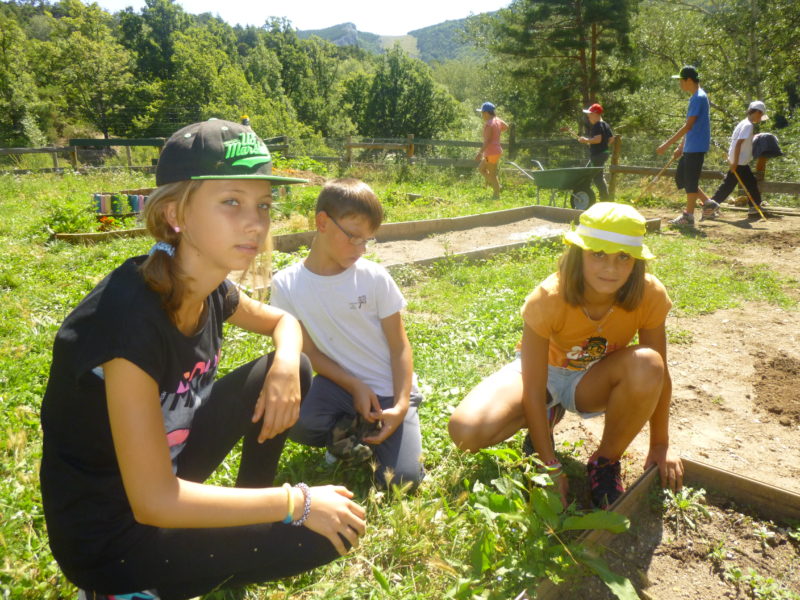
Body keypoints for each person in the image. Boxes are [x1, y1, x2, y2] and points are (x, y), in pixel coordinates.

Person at [39, 119, 366, 600]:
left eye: (263, 205)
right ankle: (135, 588)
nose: (256, 222)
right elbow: (153, 501)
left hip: (163, 473)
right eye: (231, 202)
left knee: (291, 367)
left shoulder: (208, 287)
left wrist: (286, 362)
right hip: (113, 534)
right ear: (175, 214)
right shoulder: (127, 322)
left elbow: (284, 324)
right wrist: (294, 502)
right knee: (321, 536)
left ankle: (240, 510)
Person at [448, 202, 683, 510]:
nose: (610, 269)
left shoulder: (649, 294)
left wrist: (660, 444)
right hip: (544, 374)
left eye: (623, 257)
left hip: (595, 379)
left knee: (649, 363)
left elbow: (660, 374)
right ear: (578, 254)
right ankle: (545, 419)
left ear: (636, 261)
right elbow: (533, 386)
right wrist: (550, 465)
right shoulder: (548, 297)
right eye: (598, 254)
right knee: (466, 431)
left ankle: (604, 463)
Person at [271, 178, 424, 489]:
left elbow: (400, 347)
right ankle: (352, 432)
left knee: (402, 481)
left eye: (367, 241)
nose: (361, 249)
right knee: (292, 419)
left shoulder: (374, 277)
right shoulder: (286, 284)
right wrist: (353, 385)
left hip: (388, 391)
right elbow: (308, 352)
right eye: (354, 237)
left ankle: (371, 432)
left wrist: (401, 404)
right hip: (336, 387)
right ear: (323, 222)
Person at [657, 65, 714, 226]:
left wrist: (667, 144)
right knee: (682, 177)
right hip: (691, 145)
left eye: (681, 80)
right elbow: (691, 126)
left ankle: (688, 216)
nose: (680, 84)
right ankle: (708, 203)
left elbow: (688, 126)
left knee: (690, 181)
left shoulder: (698, 97)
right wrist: (681, 146)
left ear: (689, 80)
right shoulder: (696, 96)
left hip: (696, 146)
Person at [707, 101, 768, 219]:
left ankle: (710, 206)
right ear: (756, 112)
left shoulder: (743, 123)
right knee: (744, 185)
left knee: (732, 185)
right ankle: (755, 208)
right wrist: (734, 162)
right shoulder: (748, 125)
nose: (760, 118)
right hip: (739, 162)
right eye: (761, 115)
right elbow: (739, 144)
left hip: (739, 161)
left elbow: (740, 142)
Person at [578, 103, 615, 202]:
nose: (588, 116)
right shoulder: (605, 125)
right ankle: (604, 198)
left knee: (595, 177)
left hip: (597, 155)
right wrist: (603, 146)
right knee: (598, 176)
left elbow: (598, 139)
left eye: (590, 114)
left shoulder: (597, 125)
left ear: (595, 114)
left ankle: (603, 199)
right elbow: (611, 139)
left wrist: (586, 140)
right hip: (604, 153)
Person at [475, 101, 509, 199]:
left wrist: (479, 153)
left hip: (492, 152)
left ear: (486, 113)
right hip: (494, 151)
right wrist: (497, 131)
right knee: (481, 169)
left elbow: (488, 141)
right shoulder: (497, 120)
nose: (482, 115)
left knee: (492, 174)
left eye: (482, 113)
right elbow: (506, 126)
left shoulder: (489, 124)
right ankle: (497, 186)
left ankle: (496, 194)